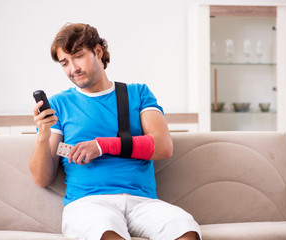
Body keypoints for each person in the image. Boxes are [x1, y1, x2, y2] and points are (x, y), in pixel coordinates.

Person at [29, 23, 201, 240]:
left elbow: (163, 147)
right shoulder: (58, 105)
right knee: (105, 229)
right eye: (65, 63)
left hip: (143, 202)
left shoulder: (138, 93)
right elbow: (41, 178)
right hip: (88, 204)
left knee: (184, 227)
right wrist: (43, 136)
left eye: (78, 56)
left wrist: (102, 145)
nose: (73, 69)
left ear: (98, 52)